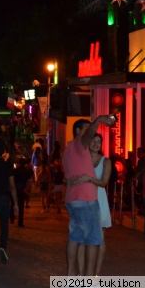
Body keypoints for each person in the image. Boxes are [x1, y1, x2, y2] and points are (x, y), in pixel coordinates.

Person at [63, 115, 115, 276]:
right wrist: (99, 120)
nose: (90, 134)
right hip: (86, 200)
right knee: (93, 240)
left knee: (75, 238)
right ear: (79, 131)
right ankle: (90, 280)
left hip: (73, 199)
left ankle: (72, 277)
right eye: (87, 128)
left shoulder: (69, 149)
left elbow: (68, 177)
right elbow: (87, 135)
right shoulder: (79, 144)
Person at [81, 133, 112, 277]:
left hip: (99, 200)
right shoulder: (82, 159)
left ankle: (96, 274)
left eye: (98, 141)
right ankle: (82, 273)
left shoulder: (106, 161)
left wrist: (89, 179)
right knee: (81, 238)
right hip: (83, 200)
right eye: (93, 141)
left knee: (100, 239)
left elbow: (104, 182)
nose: (95, 143)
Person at [13, 157, 33, 226]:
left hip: (16, 189)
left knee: (14, 203)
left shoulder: (16, 171)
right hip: (22, 189)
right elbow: (28, 178)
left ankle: (12, 216)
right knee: (21, 206)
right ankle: (20, 221)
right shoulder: (25, 171)